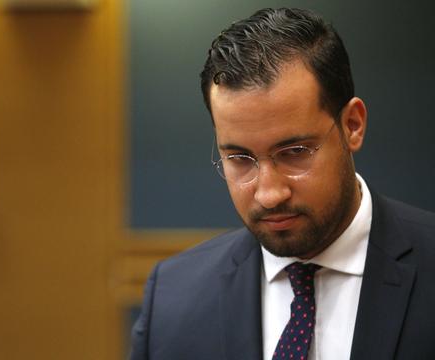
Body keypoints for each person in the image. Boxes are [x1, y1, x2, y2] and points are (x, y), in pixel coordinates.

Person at [130, 7, 435, 360]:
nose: (269, 193)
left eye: (294, 152)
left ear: (352, 125)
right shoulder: (172, 298)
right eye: (240, 159)